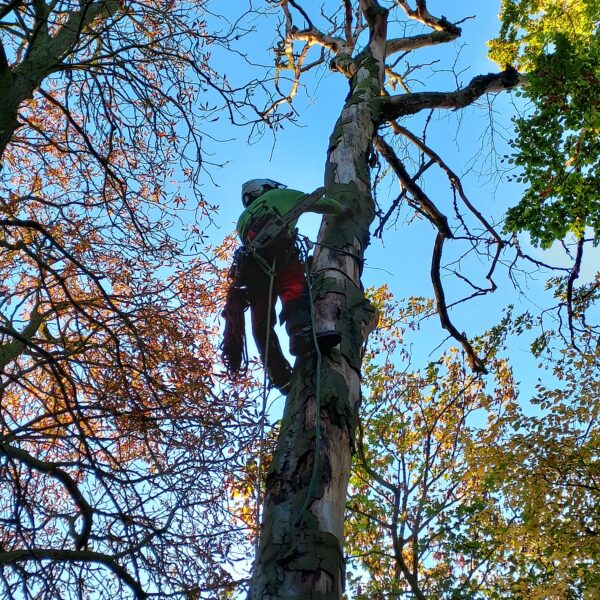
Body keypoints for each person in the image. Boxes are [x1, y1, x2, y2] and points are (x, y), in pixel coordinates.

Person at [223, 178, 343, 393]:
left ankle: (278, 374)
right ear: (265, 189)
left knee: (261, 321)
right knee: (292, 286)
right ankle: (300, 334)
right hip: (280, 252)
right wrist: (344, 209)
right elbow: (325, 205)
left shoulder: (242, 220)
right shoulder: (279, 196)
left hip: (252, 268)